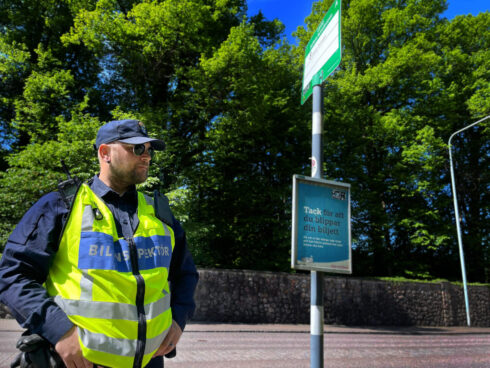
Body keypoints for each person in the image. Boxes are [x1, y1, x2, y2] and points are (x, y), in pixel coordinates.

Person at [0, 119, 199, 368]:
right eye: (137, 149)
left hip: (148, 362)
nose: (146, 156)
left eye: (149, 150)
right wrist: (60, 331)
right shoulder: (61, 206)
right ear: (105, 153)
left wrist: (179, 319)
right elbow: (13, 275)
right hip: (79, 362)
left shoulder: (160, 213)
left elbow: (186, 273)